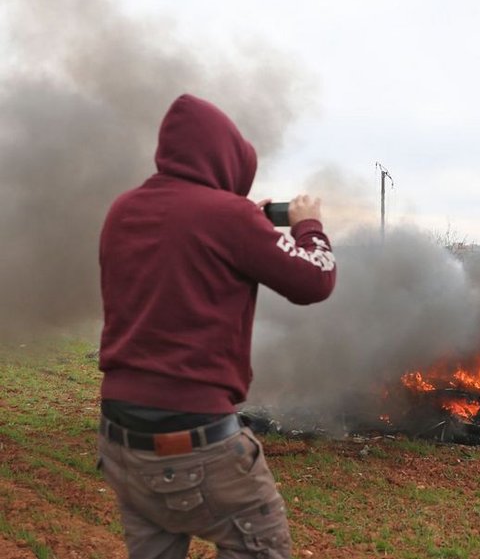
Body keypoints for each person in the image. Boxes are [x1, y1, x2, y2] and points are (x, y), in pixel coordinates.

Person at [97, 94, 337, 558]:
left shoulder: (122, 210)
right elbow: (316, 279)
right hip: (195, 442)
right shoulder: (230, 219)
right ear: (226, 159)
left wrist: (245, 218)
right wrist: (308, 226)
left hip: (120, 439)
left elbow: (185, 248)